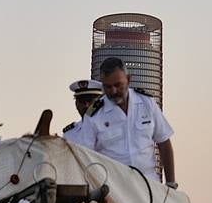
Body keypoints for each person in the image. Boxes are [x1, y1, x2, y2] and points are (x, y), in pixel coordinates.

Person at [64, 57, 177, 187]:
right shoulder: (94, 114)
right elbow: (85, 156)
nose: (113, 91)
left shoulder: (146, 103)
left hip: (149, 184)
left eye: (118, 85)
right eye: (107, 87)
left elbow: (163, 142)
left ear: (128, 80)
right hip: (114, 189)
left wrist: (170, 183)